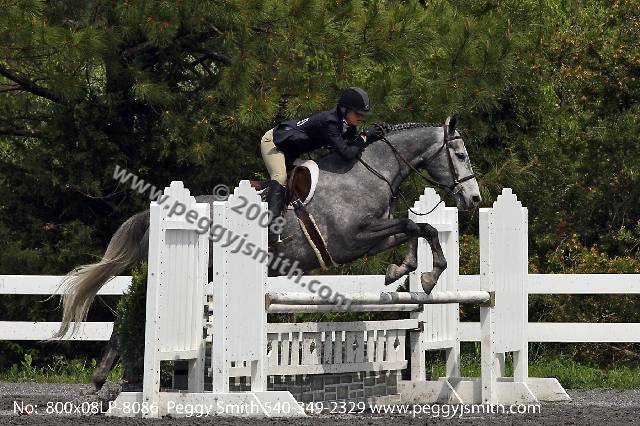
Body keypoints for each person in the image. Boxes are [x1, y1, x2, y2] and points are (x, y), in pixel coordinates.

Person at [260, 86, 384, 241]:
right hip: (274, 143)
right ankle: (270, 231)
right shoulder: (329, 122)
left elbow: (353, 145)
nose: (361, 118)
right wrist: (365, 135)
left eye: (363, 115)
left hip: (292, 150)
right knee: (280, 177)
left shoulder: (347, 124)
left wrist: (373, 136)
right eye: (358, 113)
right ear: (345, 109)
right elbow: (347, 153)